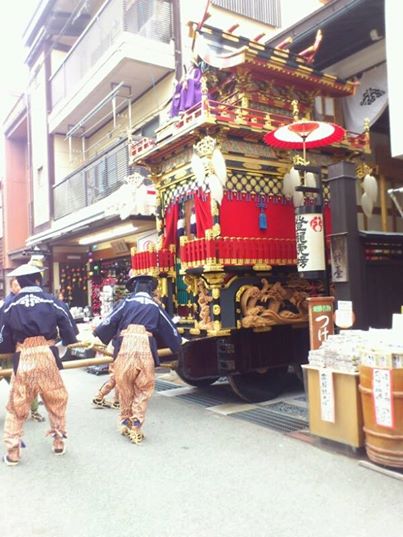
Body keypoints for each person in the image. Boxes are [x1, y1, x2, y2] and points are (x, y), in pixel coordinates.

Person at [0, 263, 78, 466]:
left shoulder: (10, 304)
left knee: (17, 404)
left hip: (23, 354)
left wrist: (7, 349)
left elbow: (2, 334)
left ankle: (13, 452)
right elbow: (68, 326)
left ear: (20, 283)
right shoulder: (51, 300)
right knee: (56, 399)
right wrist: (69, 340)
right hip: (46, 354)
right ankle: (59, 441)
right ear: (37, 281)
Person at [94, 274, 182, 444]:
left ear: (133, 288)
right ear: (151, 289)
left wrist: (97, 336)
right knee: (143, 388)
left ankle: (125, 422)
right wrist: (178, 345)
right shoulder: (155, 306)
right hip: (144, 346)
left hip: (125, 346)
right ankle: (136, 426)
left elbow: (109, 321)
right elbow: (169, 329)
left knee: (125, 386)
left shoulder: (126, 303)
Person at [0, 277, 45, 423]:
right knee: (19, 381)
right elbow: (4, 331)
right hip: (11, 351)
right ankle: (21, 410)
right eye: (16, 285)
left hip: (26, 349)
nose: (19, 288)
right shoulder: (9, 305)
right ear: (11, 288)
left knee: (30, 380)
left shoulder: (26, 302)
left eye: (20, 285)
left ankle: (33, 410)